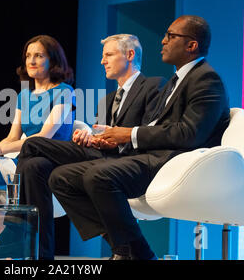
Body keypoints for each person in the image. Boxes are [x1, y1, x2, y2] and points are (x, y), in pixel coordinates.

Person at [48, 15, 230, 260]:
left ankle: (133, 252)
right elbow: (154, 125)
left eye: (171, 36)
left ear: (191, 45)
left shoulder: (206, 79)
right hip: (150, 155)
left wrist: (130, 134)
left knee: (98, 176)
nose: (163, 41)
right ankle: (127, 249)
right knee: (61, 177)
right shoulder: (176, 81)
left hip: (173, 161)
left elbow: (189, 133)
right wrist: (115, 139)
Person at [15, 34, 166, 259]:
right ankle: (41, 255)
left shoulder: (153, 86)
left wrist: (116, 138)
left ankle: (17, 233)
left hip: (126, 161)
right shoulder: (107, 100)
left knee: (34, 145)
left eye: (108, 55)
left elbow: (149, 132)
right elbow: (101, 136)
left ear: (130, 55)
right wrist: (88, 137)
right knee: (34, 165)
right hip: (98, 155)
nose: (102, 61)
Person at [0, 35, 75, 249]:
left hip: (48, 158)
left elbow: (43, 138)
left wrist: (0, 149)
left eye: (39, 55)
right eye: (28, 56)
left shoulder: (64, 92)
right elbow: (13, 137)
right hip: (23, 156)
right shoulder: (24, 95)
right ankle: (7, 238)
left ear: (53, 60)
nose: (31, 61)